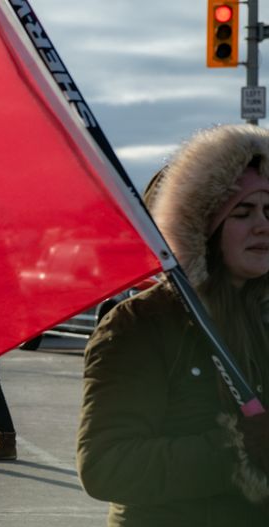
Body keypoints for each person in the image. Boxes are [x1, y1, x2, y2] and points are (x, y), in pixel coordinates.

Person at [77, 124, 269, 526]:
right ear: (202, 225)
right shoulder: (139, 324)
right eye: (243, 212)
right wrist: (234, 450)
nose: (263, 226)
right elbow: (106, 466)